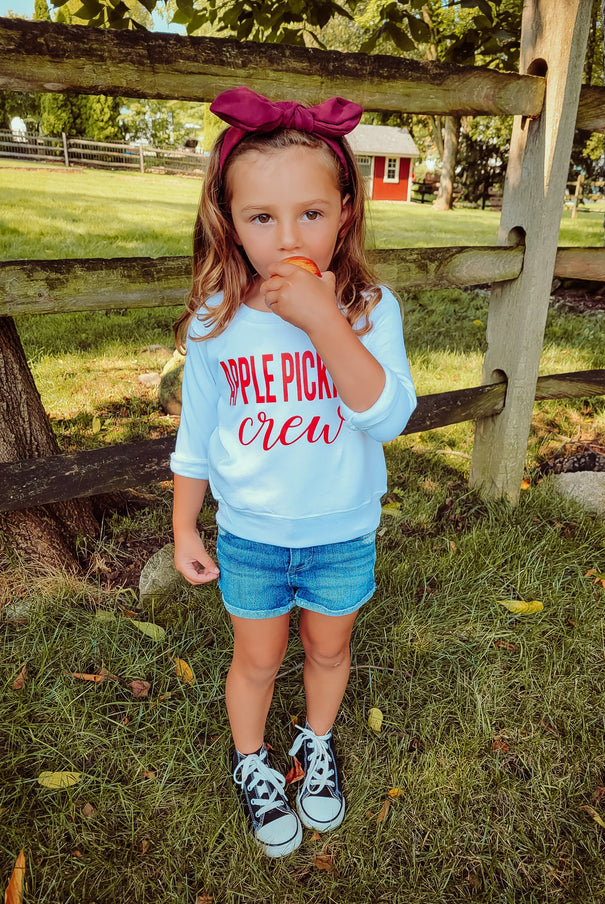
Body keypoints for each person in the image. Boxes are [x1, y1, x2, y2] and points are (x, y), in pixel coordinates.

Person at [171, 85, 417, 858]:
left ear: (346, 209)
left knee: (328, 650)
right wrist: (183, 522)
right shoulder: (218, 317)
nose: (286, 238)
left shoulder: (372, 309)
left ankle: (315, 744)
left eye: (309, 212)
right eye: (261, 218)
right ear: (229, 221)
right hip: (250, 535)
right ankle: (253, 763)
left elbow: (389, 414)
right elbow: (197, 435)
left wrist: (323, 319)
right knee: (258, 657)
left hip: (342, 533)